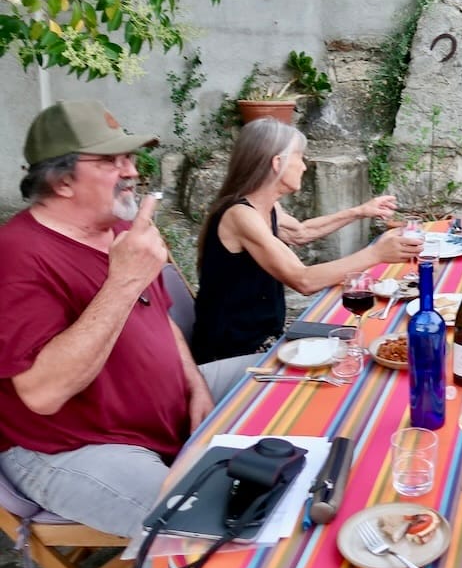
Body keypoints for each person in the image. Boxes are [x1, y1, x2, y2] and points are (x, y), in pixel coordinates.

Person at [0, 99, 251, 538]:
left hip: (167, 409)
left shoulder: (120, 231)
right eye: (111, 161)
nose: (132, 171)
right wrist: (124, 281)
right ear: (62, 181)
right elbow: (43, 394)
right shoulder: (17, 254)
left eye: (130, 158)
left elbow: (162, 321)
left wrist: (195, 385)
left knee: (302, 374)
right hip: (77, 445)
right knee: (208, 526)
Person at [191, 118, 422, 364]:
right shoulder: (240, 215)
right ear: (277, 163)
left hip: (265, 339)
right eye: (299, 157)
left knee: (363, 342)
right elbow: (304, 280)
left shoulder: (265, 206)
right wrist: (375, 254)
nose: (303, 166)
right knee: (357, 360)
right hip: (235, 352)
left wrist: (360, 211)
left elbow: (300, 233)